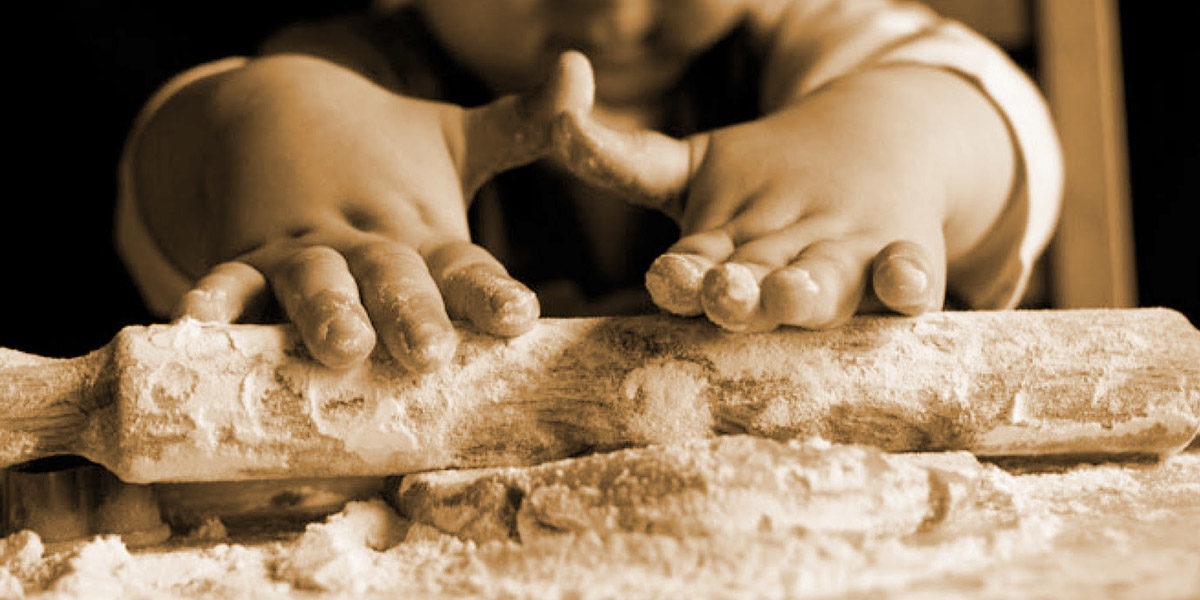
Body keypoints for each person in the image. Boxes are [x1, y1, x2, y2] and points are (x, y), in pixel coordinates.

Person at [116, 0, 1062, 371]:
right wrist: (267, 130)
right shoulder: (359, 68)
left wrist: (894, 147)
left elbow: (989, 115)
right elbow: (177, 152)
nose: (613, 9)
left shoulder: (810, 40)